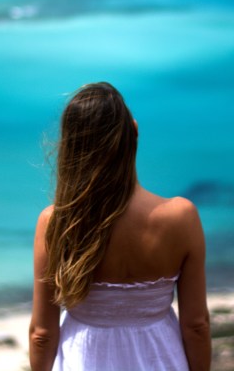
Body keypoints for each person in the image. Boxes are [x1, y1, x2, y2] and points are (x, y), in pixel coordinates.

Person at [29, 82, 211, 371]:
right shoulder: (181, 217)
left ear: (70, 146)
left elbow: (42, 334)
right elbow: (197, 325)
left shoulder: (56, 224)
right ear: (134, 132)